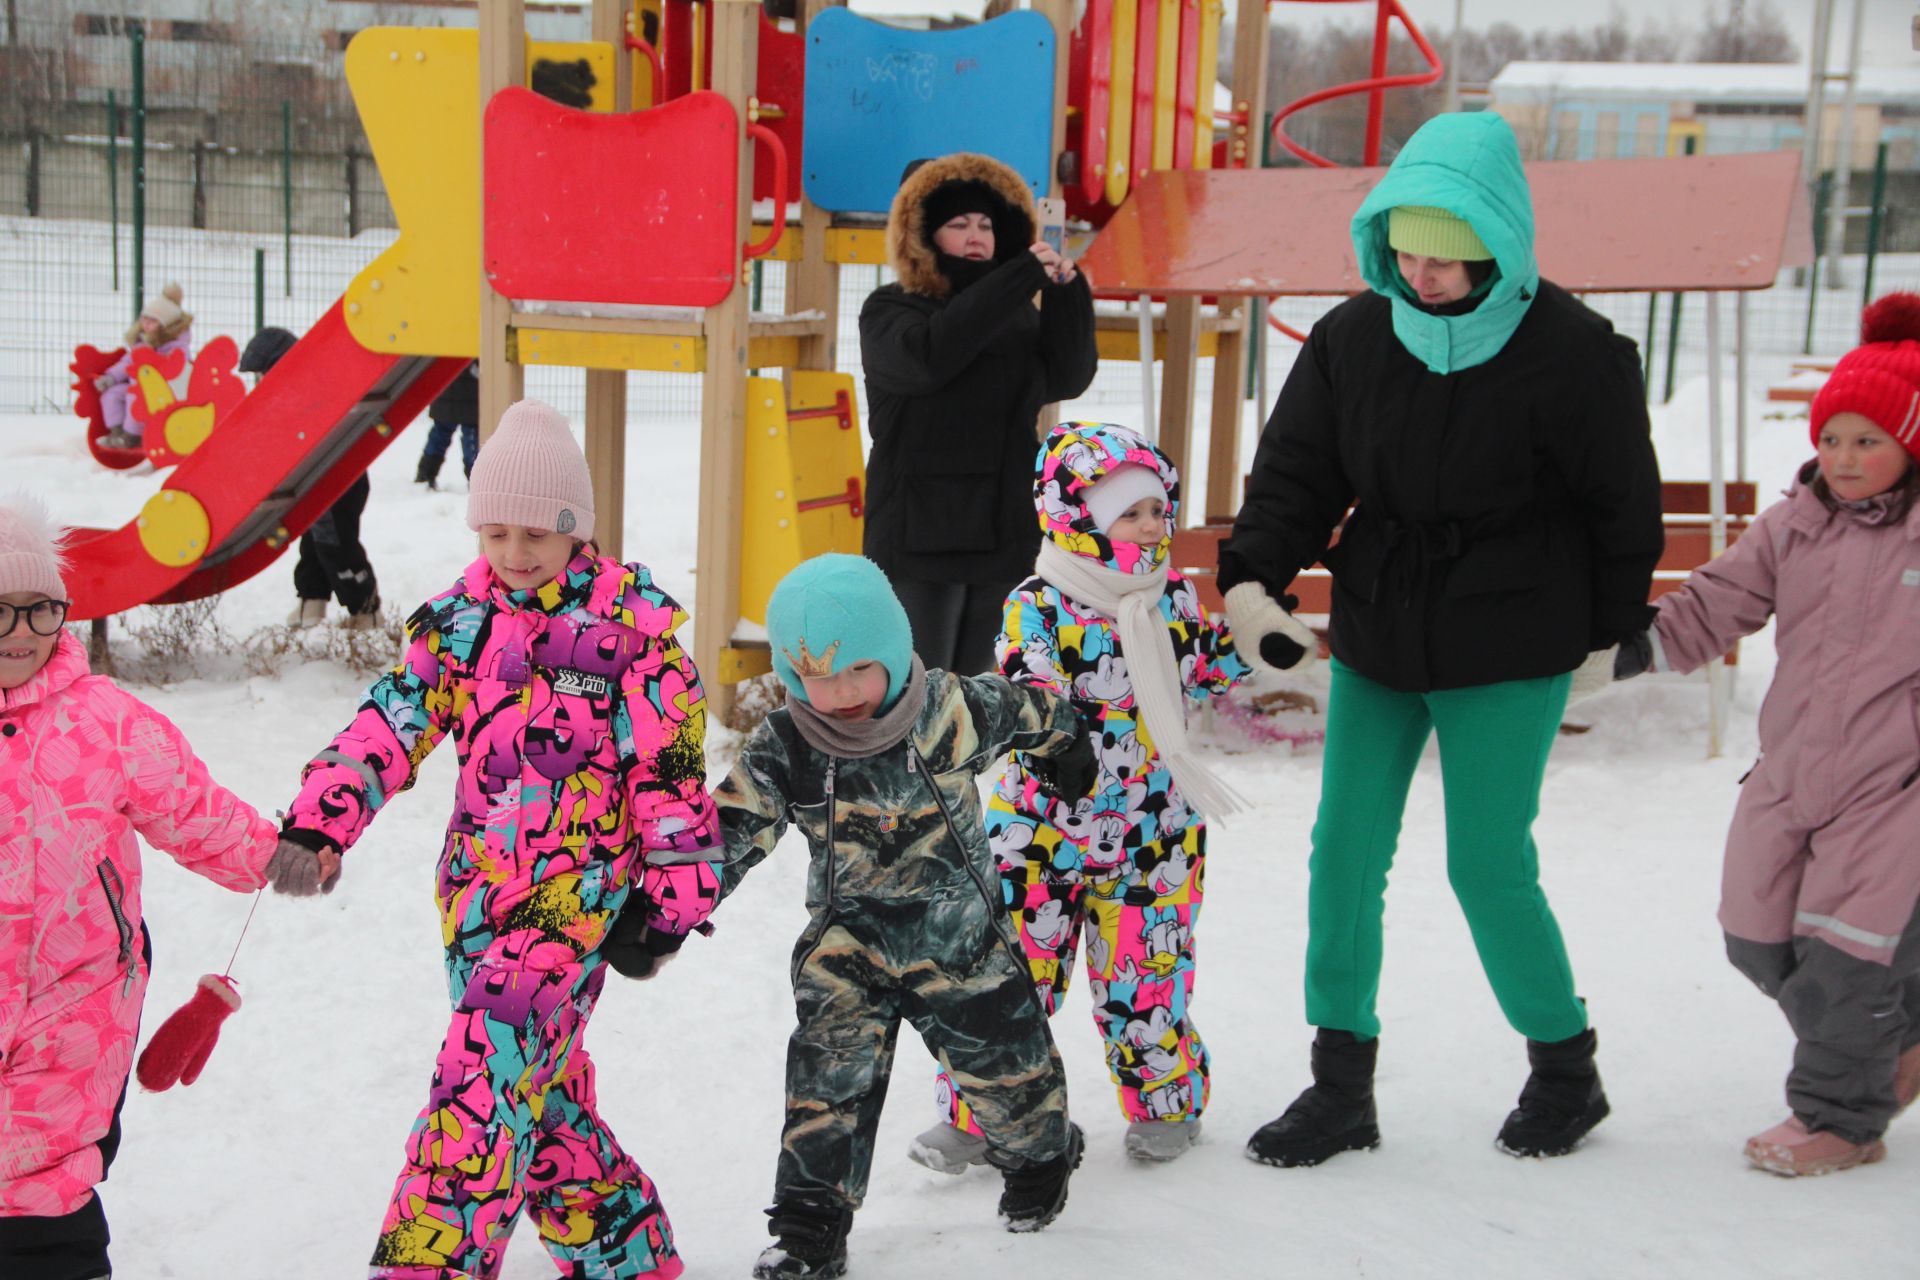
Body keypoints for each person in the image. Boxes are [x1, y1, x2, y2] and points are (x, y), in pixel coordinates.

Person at [1220, 112, 1664, 1166]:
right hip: (1384, 624)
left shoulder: (1574, 353)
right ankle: (1340, 1085)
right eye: (1404, 252)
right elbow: (1298, 474)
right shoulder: (1354, 339)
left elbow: (1622, 505)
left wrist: (1612, 630)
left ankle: (1566, 1066)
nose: (1420, 276)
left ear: (1498, 248)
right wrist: (1251, 579)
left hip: (1515, 635)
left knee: (1486, 863)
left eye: (1445, 259)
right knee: (1343, 857)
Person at [276, 400, 723, 1280]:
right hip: (475, 896)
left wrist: (673, 902)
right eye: (498, 532)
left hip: (575, 903)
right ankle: (630, 1255)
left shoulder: (630, 633)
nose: (516, 554)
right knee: (531, 1090)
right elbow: (392, 723)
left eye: (537, 534)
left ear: (576, 531)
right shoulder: (459, 624)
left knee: (478, 1084)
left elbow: (669, 773)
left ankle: (426, 1263)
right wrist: (325, 816)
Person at [707, 553, 1096, 1279]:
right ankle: (808, 1227)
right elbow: (733, 824)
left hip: (961, 945)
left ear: (891, 649)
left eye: (858, 668)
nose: (841, 692)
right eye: (816, 677)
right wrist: (672, 905)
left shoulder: (949, 709)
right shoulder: (789, 743)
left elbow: (1029, 709)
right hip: (847, 946)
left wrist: (1068, 745)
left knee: (1008, 1072)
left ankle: (1043, 1155)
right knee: (827, 1085)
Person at [1617, 293, 1920, 1176]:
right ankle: (1893, 1047)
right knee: (1756, 937)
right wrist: (1633, 649)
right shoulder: (1797, 522)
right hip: (1790, 770)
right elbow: (1722, 600)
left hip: (1894, 787)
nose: (1846, 458)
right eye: (1833, 439)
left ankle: (1839, 1120)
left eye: (1870, 440)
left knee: (1844, 959)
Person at [0, 493, 328, 1280]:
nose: (21, 635)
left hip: (75, 1002)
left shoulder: (103, 720)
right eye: (0, 612)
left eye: (39, 612)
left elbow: (190, 805)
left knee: (44, 1183)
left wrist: (273, 853)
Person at [911, 422, 1251, 1173]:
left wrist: (1256, 639)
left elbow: (1204, 668)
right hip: (1040, 829)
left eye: (1157, 512)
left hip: (1153, 832)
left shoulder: (1172, 602)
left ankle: (1165, 1104)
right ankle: (976, 1115)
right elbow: (1026, 680)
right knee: (1009, 975)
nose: (1148, 527)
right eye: (1128, 513)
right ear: (1078, 517)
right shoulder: (1039, 603)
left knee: (1144, 976)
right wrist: (1051, 731)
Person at [859, 151, 1098, 677]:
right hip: (920, 540)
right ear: (921, 234)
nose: (976, 236)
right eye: (958, 223)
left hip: (1004, 530)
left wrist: (1065, 293)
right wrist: (1015, 279)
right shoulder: (890, 310)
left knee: (973, 696)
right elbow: (929, 359)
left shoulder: (1012, 312)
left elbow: (1067, 376)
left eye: (987, 224)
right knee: (917, 693)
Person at [238, 327, 382, 630]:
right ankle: (311, 602)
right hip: (317, 482)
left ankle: (366, 611)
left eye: (266, 373)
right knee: (314, 544)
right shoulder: (295, 391)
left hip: (340, 482)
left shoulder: (310, 391)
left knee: (337, 546)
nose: (262, 381)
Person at [95, 284, 192, 450]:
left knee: (136, 398)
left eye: (153, 321)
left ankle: (133, 437)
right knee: (113, 394)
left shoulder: (175, 347)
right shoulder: (143, 343)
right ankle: (117, 432)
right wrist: (112, 377)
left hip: (163, 393)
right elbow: (128, 362)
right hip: (137, 387)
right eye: (144, 319)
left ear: (165, 325)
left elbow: (178, 370)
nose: (146, 324)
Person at [416, 361, 480, 490]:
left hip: (446, 388)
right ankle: (476, 480)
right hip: (472, 395)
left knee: (440, 434)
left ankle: (425, 475)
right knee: (471, 437)